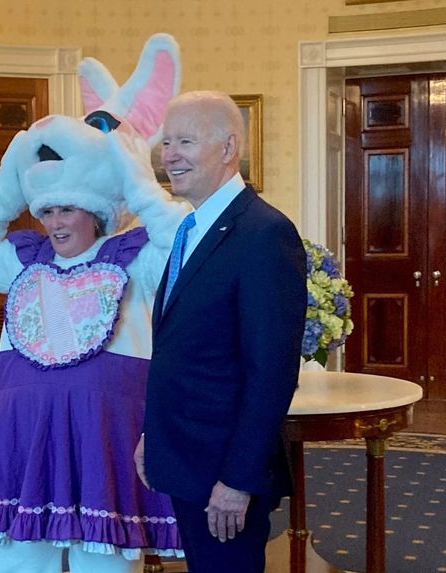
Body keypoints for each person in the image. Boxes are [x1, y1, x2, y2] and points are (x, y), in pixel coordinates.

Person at [0, 34, 186, 573]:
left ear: (96, 210)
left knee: (98, 564)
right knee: (14, 563)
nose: (54, 223)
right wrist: (8, 184)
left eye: (67, 211)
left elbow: (188, 247)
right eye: (46, 211)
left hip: (101, 436)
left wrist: (137, 178)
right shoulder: (23, 259)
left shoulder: (135, 255)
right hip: (21, 432)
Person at [127, 91, 307, 572]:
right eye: (166, 143)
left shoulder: (265, 234)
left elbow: (270, 372)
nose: (169, 156)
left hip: (224, 475)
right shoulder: (194, 227)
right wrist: (154, 434)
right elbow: (181, 351)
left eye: (185, 141)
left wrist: (238, 479)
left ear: (229, 149)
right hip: (187, 458)